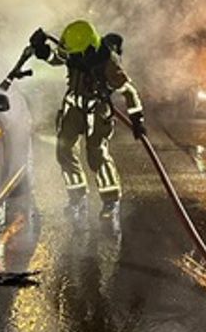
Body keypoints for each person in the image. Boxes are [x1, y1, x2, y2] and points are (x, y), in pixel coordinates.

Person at [30, 20, 144, 220]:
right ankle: (77, 196)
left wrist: (137, 119)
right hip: (74, 106)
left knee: (96, 155)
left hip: (96, 109)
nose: (72, 56)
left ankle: (110, 201)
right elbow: (57, 58)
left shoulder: (108, 63)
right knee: (63, 150)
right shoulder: (77, 52)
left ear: (89, 48)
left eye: (75, 53)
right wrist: (42, 49)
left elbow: (129, 92)